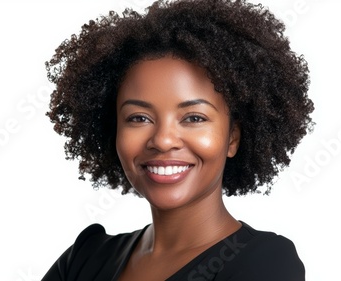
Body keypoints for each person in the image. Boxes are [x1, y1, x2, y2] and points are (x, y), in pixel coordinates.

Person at [41, 0, 314, 280]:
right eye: (139, 118)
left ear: (233, 138)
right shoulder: (86, 258)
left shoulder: (265, 263)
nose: (163, 140)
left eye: (194, 118)